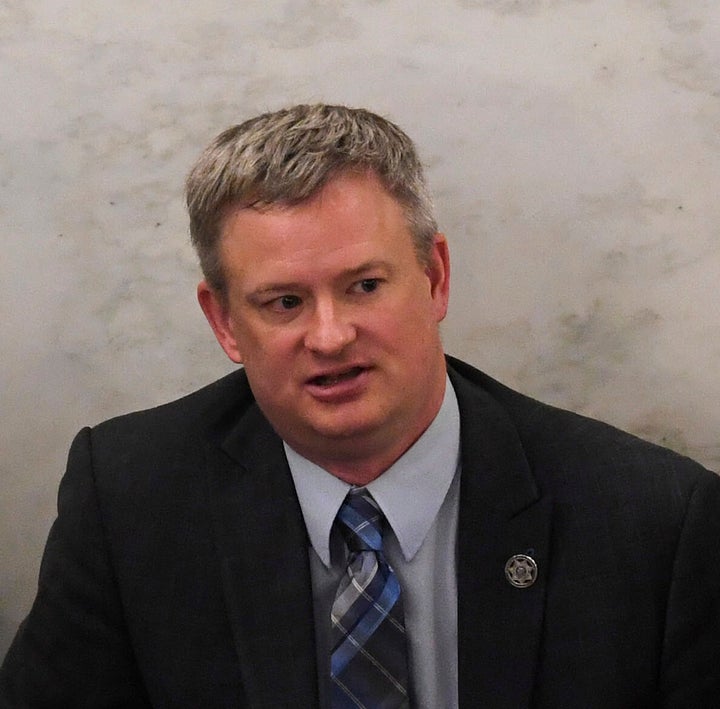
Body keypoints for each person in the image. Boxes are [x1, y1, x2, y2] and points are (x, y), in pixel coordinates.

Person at [1, 104, 719, 708]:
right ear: (224, 323)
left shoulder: (655, 519)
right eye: (284, 302)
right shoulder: (129, 497)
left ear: (435, 278)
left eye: (365, 286)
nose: (330, 335)